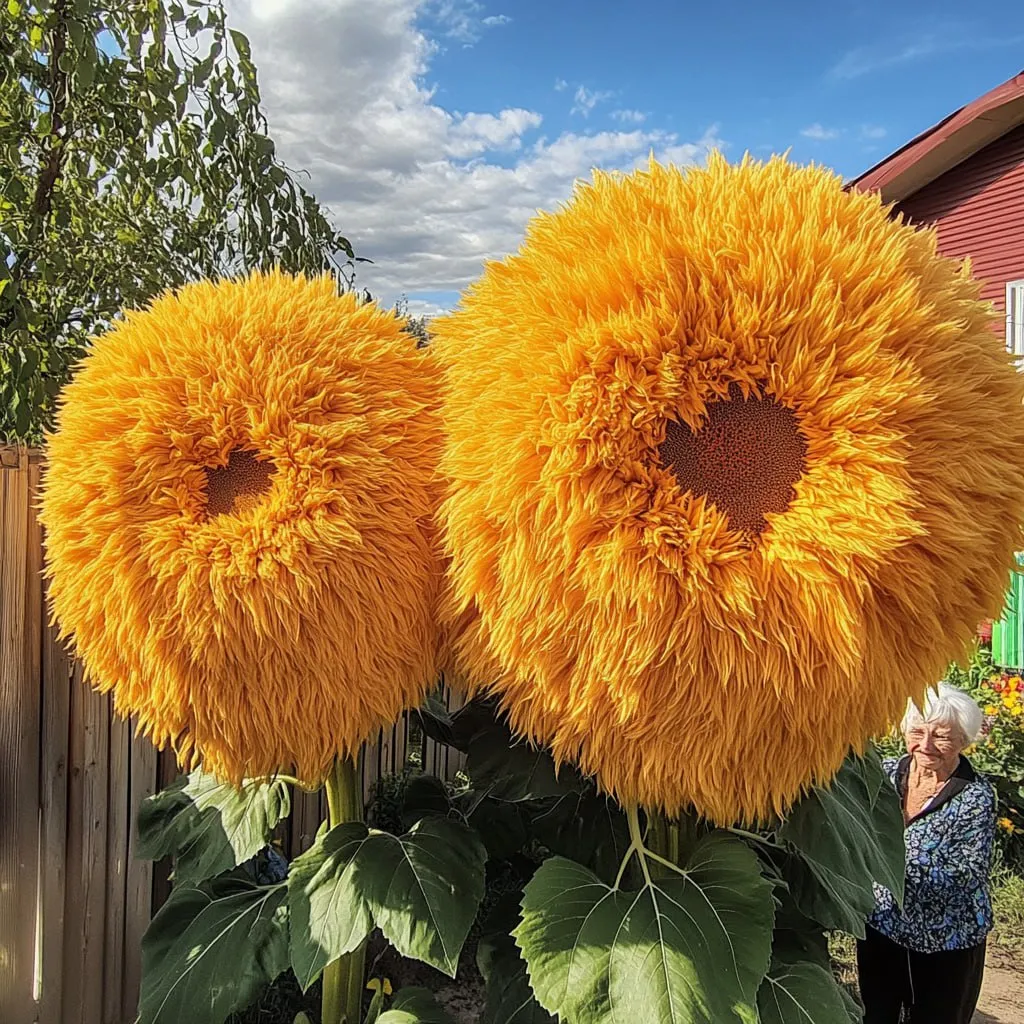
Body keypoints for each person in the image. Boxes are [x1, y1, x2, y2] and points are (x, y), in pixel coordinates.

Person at [857, 682, 996, 1023]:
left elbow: (967, 873)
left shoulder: (976, 797)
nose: (926, 745)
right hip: (882, 926)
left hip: (946, 939)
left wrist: (883, 865)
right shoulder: (885, 774)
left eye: (942, 736)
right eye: (917, 731)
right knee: (877, 1014)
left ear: (964, 740)